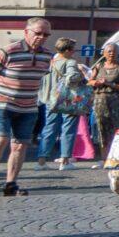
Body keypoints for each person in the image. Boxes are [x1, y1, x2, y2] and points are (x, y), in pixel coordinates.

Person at [0, 18, 54, 197]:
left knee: (19, 145)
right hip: (3, 102)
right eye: (38, 33)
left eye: (46, 34)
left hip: (29, 106)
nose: (41, 37)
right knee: (1, 139)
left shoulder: (47, 55)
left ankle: (11, 184)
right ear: (26, 32)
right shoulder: (8, 51)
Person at [36, 36, 90, 173]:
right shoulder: (70, 62)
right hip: (67, 99)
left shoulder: (51, 62)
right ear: (67, 50)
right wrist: (82, 75)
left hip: (50, 100)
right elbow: (71, 78)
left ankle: (41, 160)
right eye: (72, 49)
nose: (73, 52)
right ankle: (65, 160)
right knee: (68, 129)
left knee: (49, 128)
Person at [89, 43, 119, 192]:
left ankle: (117, 160)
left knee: (117, 132)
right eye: (109, 51)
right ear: (104, 53)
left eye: (114, 51)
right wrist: (96, 82)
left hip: (116, 102)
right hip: (100, 101)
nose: (111, 53)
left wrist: (110, 84)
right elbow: (90, 82)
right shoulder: (99, 66)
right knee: (101, 131)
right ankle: (105, 159)